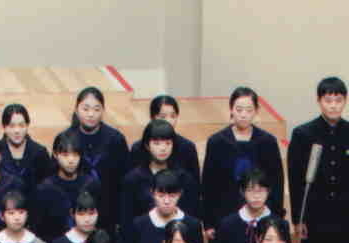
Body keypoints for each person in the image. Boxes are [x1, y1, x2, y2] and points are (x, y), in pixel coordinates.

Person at [288, 76, 349, 243]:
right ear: (319, 101)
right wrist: (298, 218)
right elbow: (295, 178)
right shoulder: (304, 134)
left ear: (345, 101)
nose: (333, 105)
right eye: (328, 100)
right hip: (313, 215)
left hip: (343, 216)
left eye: (338, 100)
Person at [201, 86, 285, 232]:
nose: (243, 115)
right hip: (224, 215)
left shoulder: (268, 141)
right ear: (231, 110)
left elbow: (277, 182)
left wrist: (275, 216)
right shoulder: (217, 142)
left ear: (256, 111)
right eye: (239, 110)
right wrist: (209, 222)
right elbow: (209, 185)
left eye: (249, 110)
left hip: (261, 216)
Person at [62, 87, 129, 232]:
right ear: (76, 110)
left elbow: (124, 180)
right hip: (76, 211)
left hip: (108, 209)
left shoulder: (116, 139)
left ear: (103, 111)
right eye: (85, 109)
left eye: (96, 109)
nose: (91, 114)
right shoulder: (66, 138)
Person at [119, 119, 201, 234]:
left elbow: (192, 217)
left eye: (168, 143)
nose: (163, 148)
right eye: (157, 143)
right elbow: (126, 221)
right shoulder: (133, 179)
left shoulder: (184, 178)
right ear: (147, 145)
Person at [119, 169, 204, 243]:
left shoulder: (192, 225)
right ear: (152, 193)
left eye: (172, 195)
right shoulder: (139, 225)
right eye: (161, 195)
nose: (166, 201)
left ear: (180, 194)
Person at [30, 131, 101, 242]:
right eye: (65, 155)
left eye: (75, 154)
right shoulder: (44, 189)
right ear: (55, 154)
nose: (71, 160)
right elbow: (39, 231)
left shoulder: (91, 185)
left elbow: (101, 224)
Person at [128, 95, 201, 183]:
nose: (169, 121)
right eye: (163, 116)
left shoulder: (188, 147)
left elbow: (194, 183)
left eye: (173, 116)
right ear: (152, 117)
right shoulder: (138, 148)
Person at [0, 103, 52, 195]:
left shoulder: (39, 152)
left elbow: (48, 186)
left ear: (27, 125)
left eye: (21, 125)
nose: (17, 131)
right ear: (4, 127)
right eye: (12, 126)